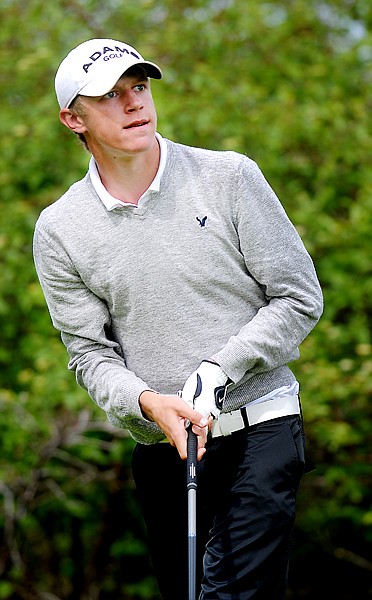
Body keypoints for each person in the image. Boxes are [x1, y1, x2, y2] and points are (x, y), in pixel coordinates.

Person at [33, 38, 323, 600]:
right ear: (74, 119)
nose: (134, 103)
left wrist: (221, 368)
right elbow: (90, 355)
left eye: (138, 87)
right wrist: (147, 402)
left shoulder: (230, 178)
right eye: (110, 96)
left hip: (261, 426)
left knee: (230, 593)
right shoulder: (60, 228)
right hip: (164, 448)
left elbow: (298, 297)